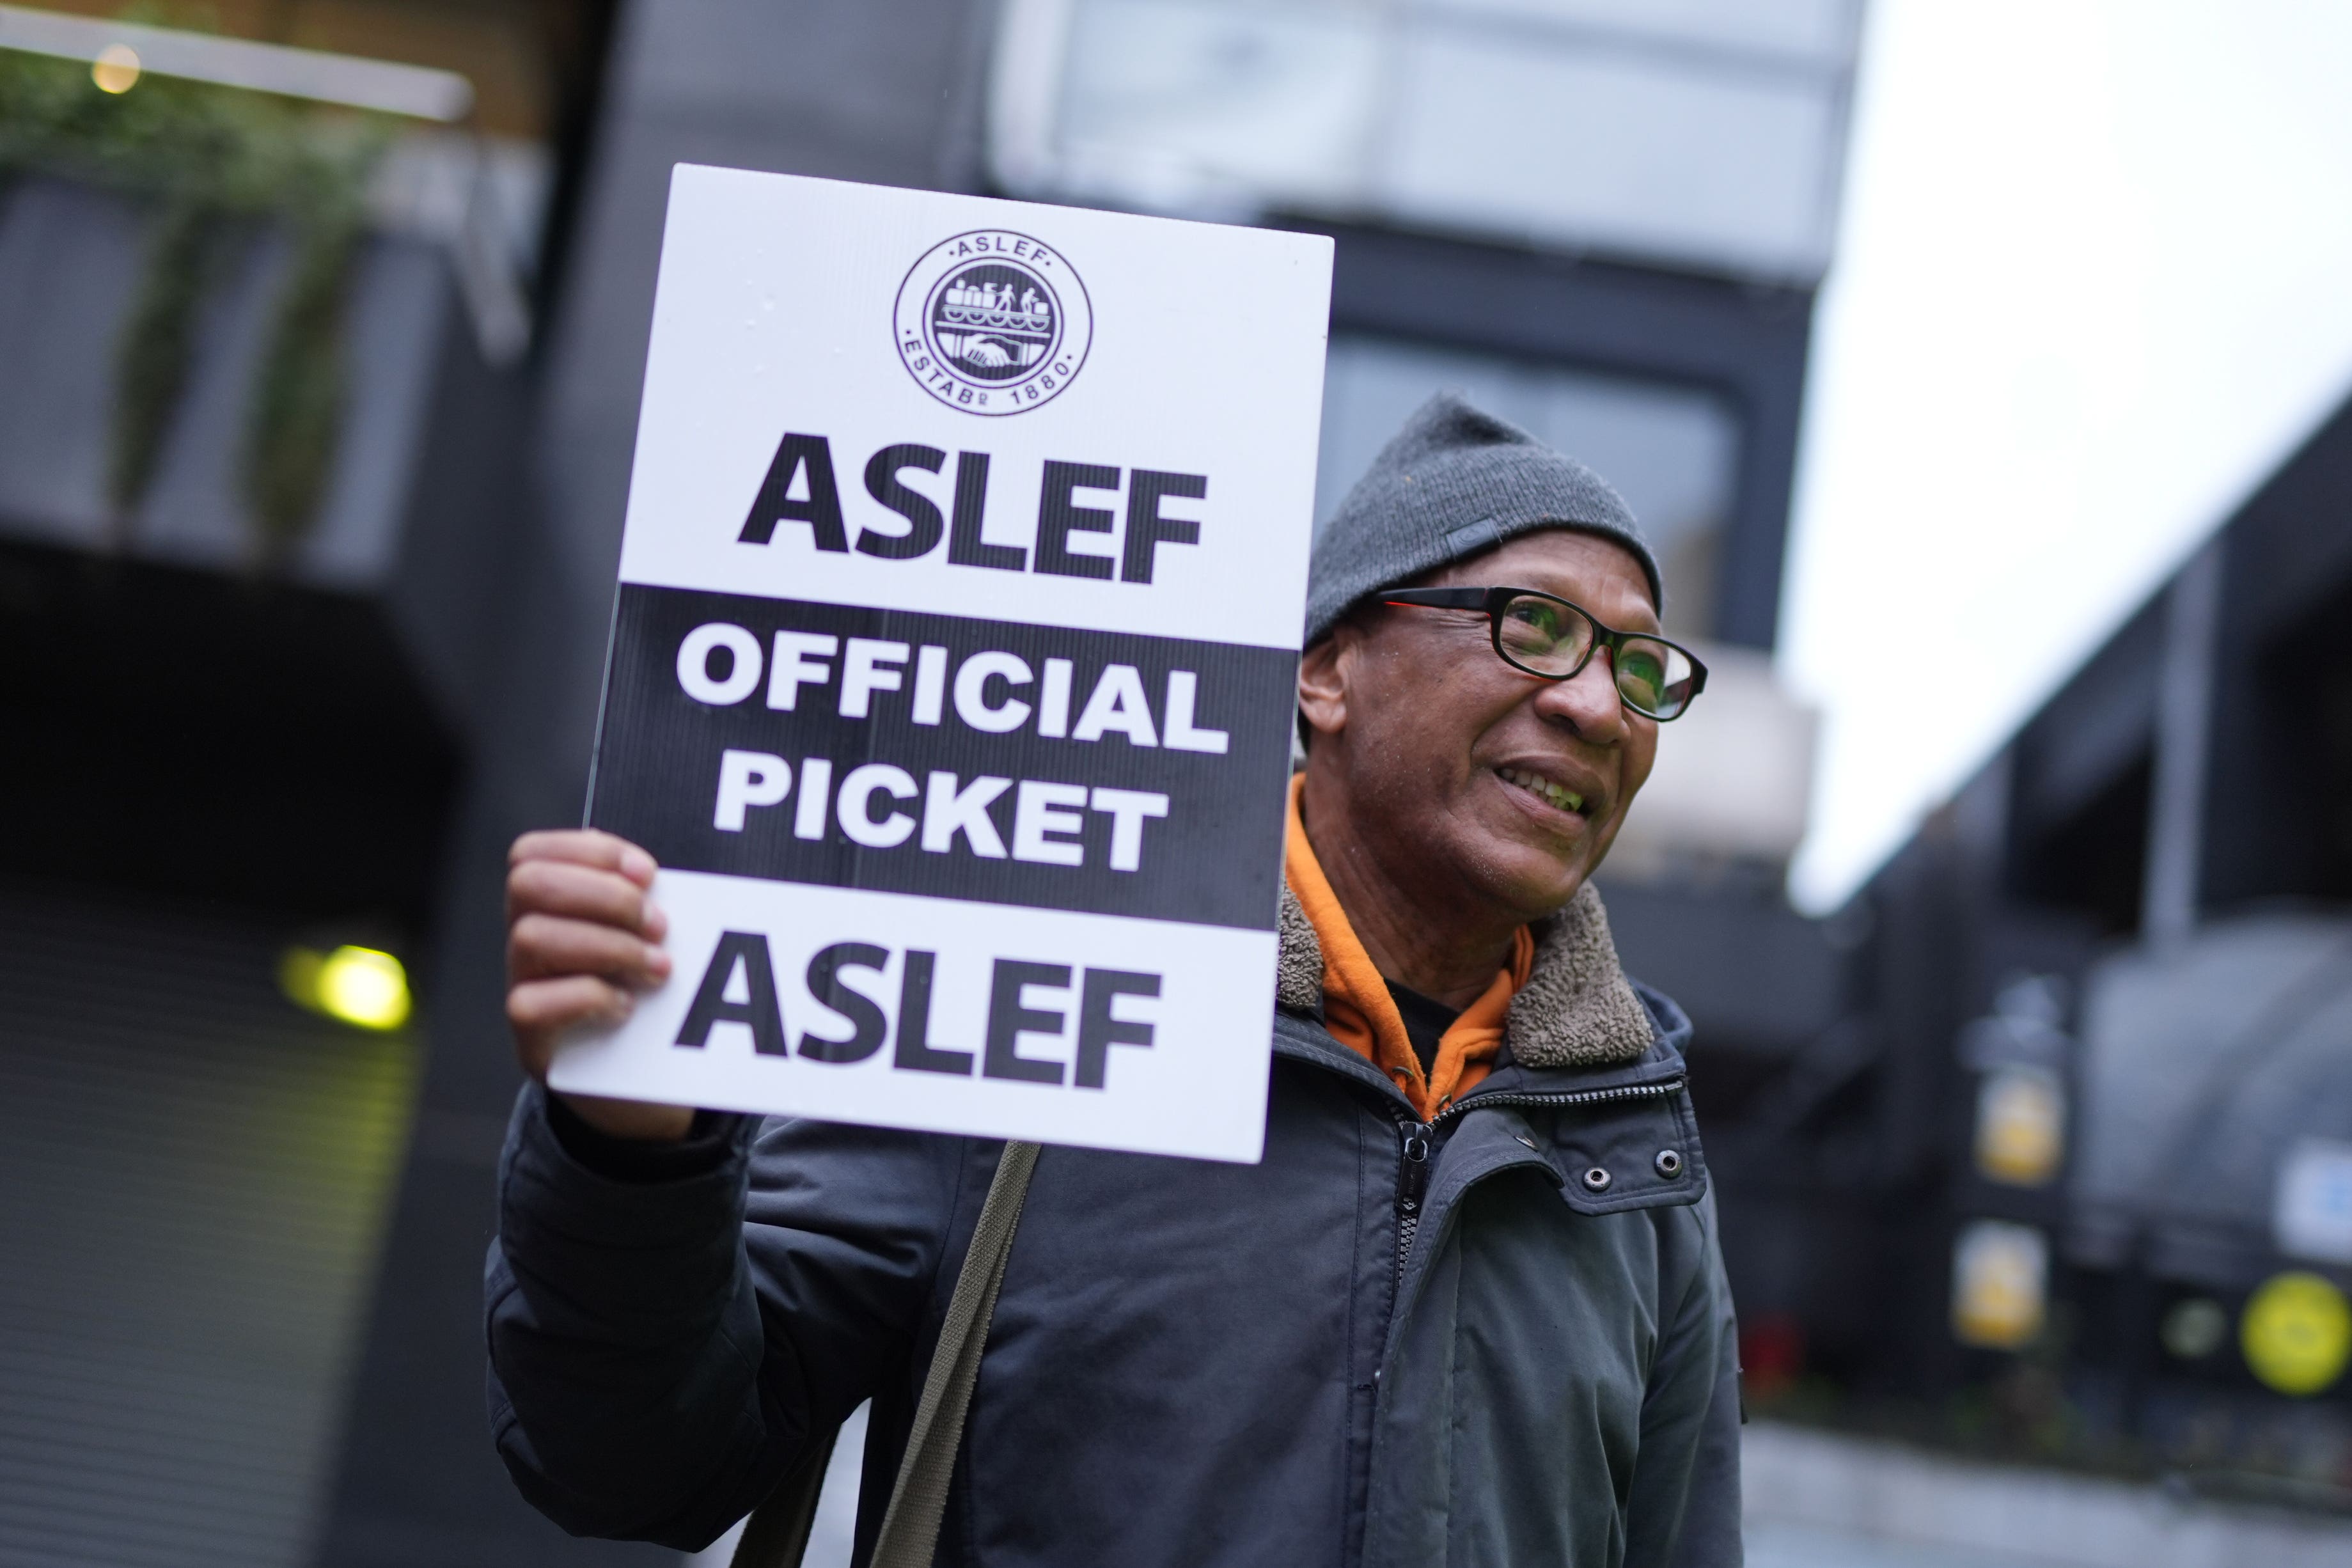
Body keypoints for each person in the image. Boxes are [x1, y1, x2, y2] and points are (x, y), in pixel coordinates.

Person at [488, 392, 1741, 1567]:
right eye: (1535, 626)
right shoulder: (1028, 991)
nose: (1599, 706)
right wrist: (634, 1152)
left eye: (1644, 670)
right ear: (1324, 667)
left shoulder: (1634, 1159)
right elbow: (638, 1459)